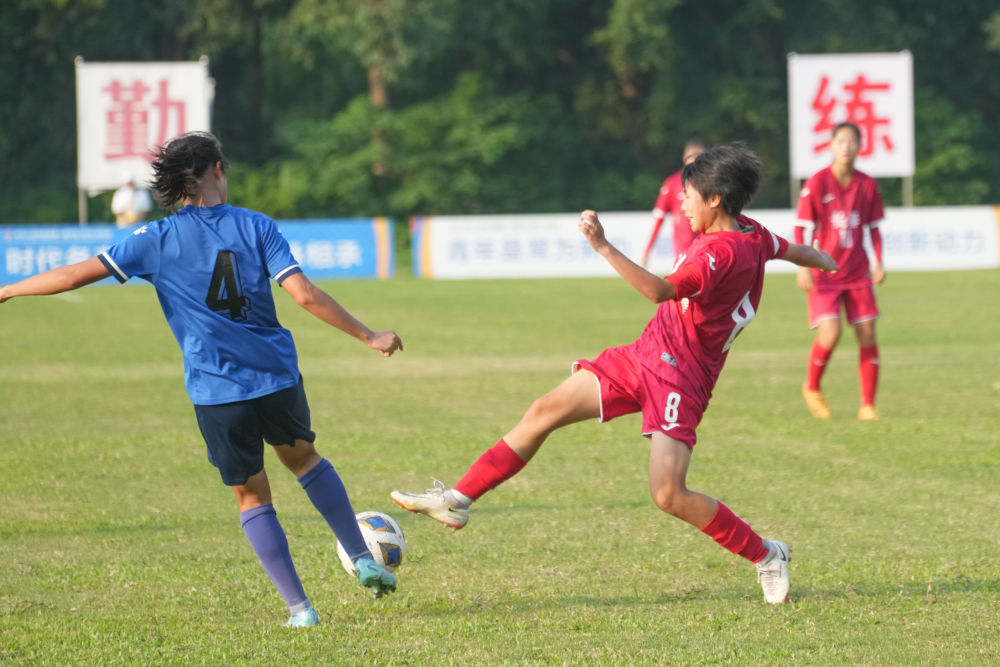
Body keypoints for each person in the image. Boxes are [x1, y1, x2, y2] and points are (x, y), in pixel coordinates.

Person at [391, 143, 839, 604]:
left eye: (687, 195)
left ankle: (767, 554)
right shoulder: (752, 233)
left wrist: (603, 246)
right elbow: (792, 249)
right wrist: (822, 260)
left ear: (714, 199)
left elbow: (660, 290)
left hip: (681, 380)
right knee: (545, 410)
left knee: (668, 494)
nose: (680, 203)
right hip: (645, 354)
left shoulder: (716, 255)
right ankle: (458, 501)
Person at [0, 131, 403, 628]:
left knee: (252, 496)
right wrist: (368, 335)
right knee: (305, 461)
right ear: (215, 170)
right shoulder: (256, 226)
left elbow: (76, 275)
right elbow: (305, 295)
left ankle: (301, 611)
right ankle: (362, 557)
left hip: (217, 392)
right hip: (277, 378)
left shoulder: (154, 240)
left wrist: (8, 290)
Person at [795, 121, 885, 421]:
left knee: (867, 333)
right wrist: (803, 266)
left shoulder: (867, 185)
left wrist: (879, 261)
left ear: (860, 147)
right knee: (830, 334)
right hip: (824, 272)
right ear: (831, 145)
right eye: (840, 140)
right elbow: (803, 227)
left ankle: (868, 405)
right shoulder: (817, 183)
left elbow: (873, 228)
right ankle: (812, 386)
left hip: (857, 272)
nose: (846, 146)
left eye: (852, 141)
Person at [641, 139, 706, 267]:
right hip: (684, 248)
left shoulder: (712, 183)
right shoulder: (673, 183)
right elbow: (659, 219)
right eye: (691, 156)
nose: (695, 160)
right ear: (684, 158)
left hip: (708, 244)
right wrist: (648, 249)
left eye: (699, 156)